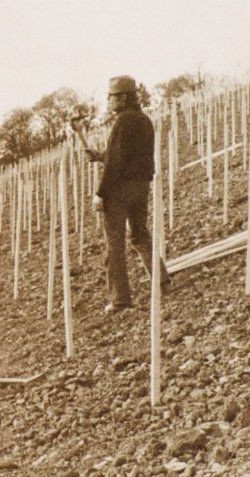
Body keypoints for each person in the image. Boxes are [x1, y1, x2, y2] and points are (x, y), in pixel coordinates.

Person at [84, 75, 169, 314]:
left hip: (119, 191)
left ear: (122, 97)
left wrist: (100, 193)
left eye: (111, 97)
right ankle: (162, 282)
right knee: (141, 236)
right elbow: (127, 156)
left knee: (114, 245)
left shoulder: (122, 122)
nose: (109, 101)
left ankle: (120, 299)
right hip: (141, 186)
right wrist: (100, 155)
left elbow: (116, 163)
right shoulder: (144, 120)